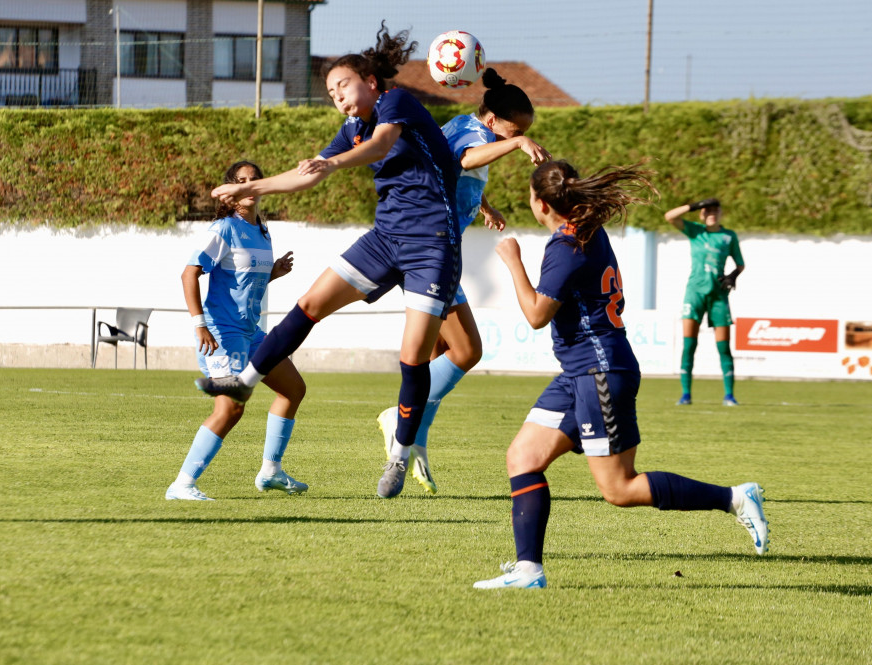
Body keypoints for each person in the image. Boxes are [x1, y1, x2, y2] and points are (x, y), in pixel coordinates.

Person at [194, 23, 460, 500]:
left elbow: (379, 146)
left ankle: (400, 454)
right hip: (385, 238)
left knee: (413, 356)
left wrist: (334, 164)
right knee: (310, 302)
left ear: (371, 82)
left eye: (343, 85)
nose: (337, 96)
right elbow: (303, 176)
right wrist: (247, 188)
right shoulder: (350, 128)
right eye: (331, 92)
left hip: (431, 244)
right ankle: (244, 382)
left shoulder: (395, 103)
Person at [473, 161, 768, 590]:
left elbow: (537, 315)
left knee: (620, 488)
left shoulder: (566, 246)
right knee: (523, 458)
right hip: (582, 372)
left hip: (600, 373)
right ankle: (528, 571)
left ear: (540, 204)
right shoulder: (589, 228)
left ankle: (736, 498)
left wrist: (513, 261)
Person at [376, 67, 551, 495]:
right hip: (431, 251)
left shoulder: (466, 128)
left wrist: (485, 205)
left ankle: (414, 444)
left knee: (435, 355)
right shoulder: (475, 133)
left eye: (523, 131)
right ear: (492, 120)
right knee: (468, 349)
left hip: (435, 248)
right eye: (513, 129)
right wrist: (517, 144)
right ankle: (395, 420)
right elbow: (465, 159)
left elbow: (454, 170)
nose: (517, 137)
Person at [166, 161, 308, 501]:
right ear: (231, 192)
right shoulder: (224, 228)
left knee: (292, 389)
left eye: (253, 180)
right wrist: (199, 324)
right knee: (230, 408)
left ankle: (271, 472)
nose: (248, 185)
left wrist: (272, 272)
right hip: (221, 332)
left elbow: (241, 280)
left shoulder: (261, 230)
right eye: (240, 181)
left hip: (251, 331)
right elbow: (189, 274)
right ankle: (182, 484)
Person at [664, 198, 745, 406]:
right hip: (695, 293)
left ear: (720, 213)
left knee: (724, 347)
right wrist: (694, 205)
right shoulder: (695, 231)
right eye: (707, 211)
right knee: (690, 344)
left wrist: (733, 274)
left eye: (715, 211)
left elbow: (740, 264)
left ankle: (729, 395)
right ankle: (685, 394)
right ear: (701, 214)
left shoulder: (728, 236)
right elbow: (669, 216)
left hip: (718, 295)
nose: (711, 214)